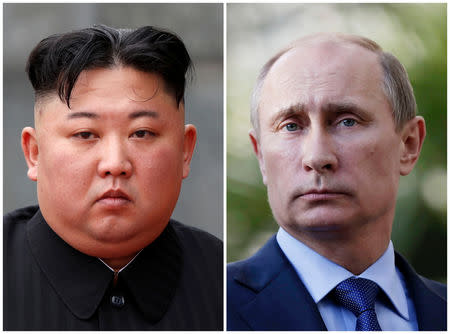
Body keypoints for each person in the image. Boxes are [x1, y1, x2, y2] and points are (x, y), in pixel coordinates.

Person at [4, 25, 222, 330]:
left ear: (185, 151)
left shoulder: (225, 283)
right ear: (34, 153)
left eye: (142, 133)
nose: (115, 164)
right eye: (85, 134)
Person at [227, 33, 446, 331]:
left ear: (408, 145)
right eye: (291, 126)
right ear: (261, 156)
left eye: (347, 121)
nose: (317, 157)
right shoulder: (207, 309)